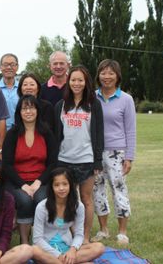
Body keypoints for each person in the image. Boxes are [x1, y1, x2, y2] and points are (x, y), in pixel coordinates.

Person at [54, 65, 104, 244]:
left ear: (86, 82)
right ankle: (71, 235)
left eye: (80, 80)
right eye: (73, 80)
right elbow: (56, 135)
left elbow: (98, 133)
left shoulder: (93, 104)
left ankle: (85, 236)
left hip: (86, 160)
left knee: (86, 199)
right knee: (67, 199)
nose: (77, 83)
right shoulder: (61, 105)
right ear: (68, 82)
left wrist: (97, 161)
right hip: (64, 159)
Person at [2, 95, 57, 244]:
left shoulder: (46, 133)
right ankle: (25, 242)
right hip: (16, 182)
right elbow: (6, 165)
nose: (28, 111)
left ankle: (42, 241)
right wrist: (23, 185)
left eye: (31, 107)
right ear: (19, 112)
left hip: (41, 180)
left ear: (37, 110)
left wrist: (38, 182)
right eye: (24, 108)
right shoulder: (12, 134)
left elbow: (52, 163)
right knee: (25, 200)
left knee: (41, 200)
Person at [92, 59, 136, 245]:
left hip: (117, 152)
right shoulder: (91, 97)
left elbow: (131, 129)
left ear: (117, 76)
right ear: (98, 75)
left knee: (119, 190)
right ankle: (103, 230)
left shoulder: (126, 99)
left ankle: (122, 232)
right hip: (94, 151)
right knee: (97, 190)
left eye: (111, 73)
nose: (107, 76)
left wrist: (129, 157)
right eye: (103, 72)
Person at [32, 167, 105, 263]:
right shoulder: (42, 207)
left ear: (70, 185)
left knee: (99, 247)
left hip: (67, 249)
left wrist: (72, 250)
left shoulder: (78, 206)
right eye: (57, 185)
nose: (61, 188)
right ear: (51, 187)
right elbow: (37, 239)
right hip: (47, 251)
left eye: (65, 184)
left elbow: (79, 235)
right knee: (34, 250)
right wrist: (58, 255)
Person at [0, 53, 20, 130]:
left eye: (12, 64)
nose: (9, 67)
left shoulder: (23, 88)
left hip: (19, 133)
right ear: (0, 67)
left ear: (17, 67)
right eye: (5, 65)